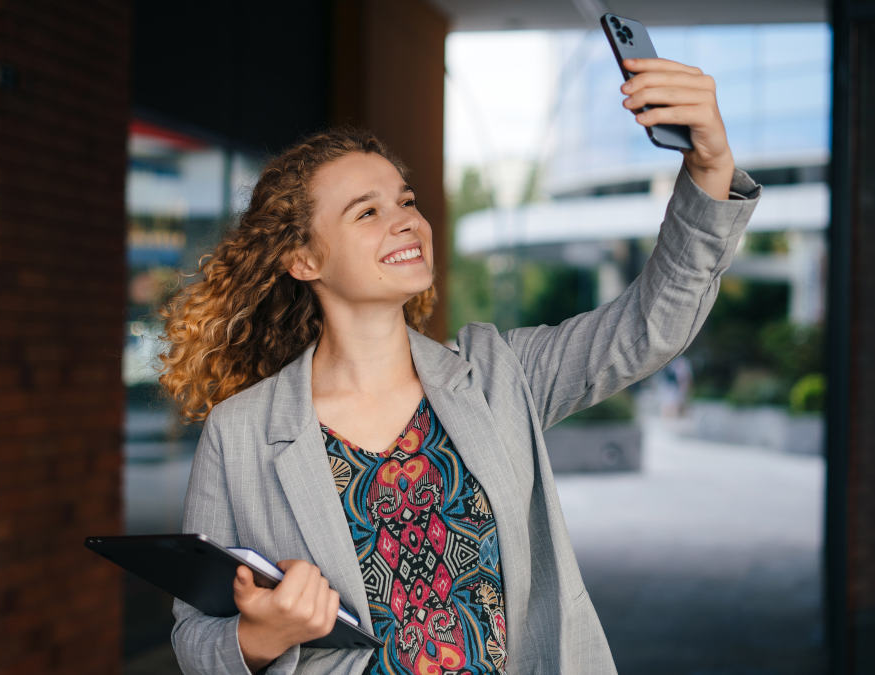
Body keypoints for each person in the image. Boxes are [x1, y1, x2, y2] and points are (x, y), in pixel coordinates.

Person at [159, 56, 761, 675]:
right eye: (367, 212)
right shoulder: (241, 432)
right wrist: (261, 636)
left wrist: (709, 168)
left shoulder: (501, 376)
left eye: (406, 200)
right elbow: (195, 635)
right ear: (304, 260)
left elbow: (648, 325)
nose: (406, 221)